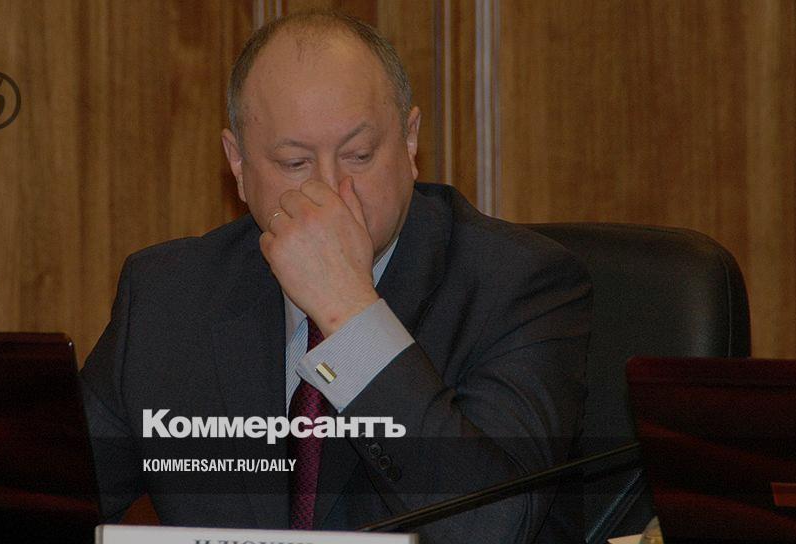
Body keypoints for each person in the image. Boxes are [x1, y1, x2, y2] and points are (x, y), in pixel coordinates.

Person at [80, 10, 591, 544]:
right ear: (238, 164)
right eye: (294, 163)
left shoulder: (519, 285)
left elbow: (490, 525)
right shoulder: (167, 295)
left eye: (358, 155)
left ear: (410, 140)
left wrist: (349, 313)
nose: (331, 191)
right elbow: (46, 502)